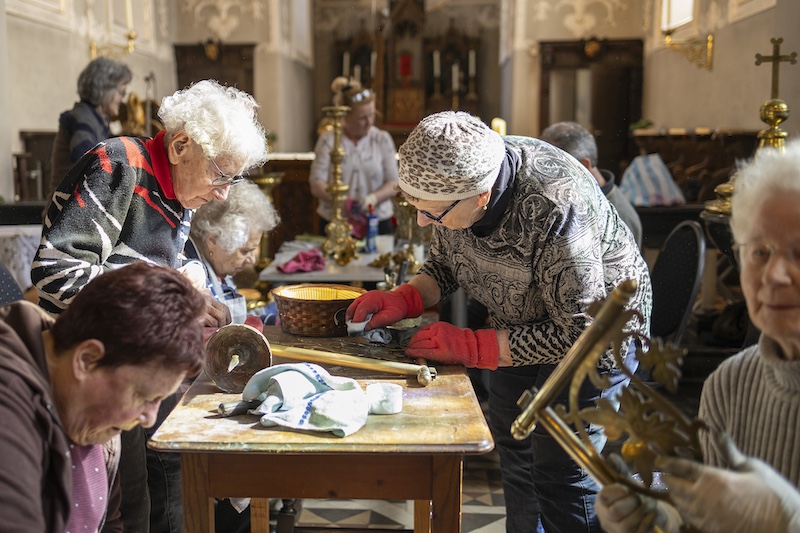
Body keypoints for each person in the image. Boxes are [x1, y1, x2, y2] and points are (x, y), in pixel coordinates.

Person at [346, 111, 652, 532]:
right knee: (518, 450)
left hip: (598, 337)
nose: (421, 221)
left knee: (562, 472)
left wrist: (474, 347)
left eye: (431, 213)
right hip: (522, 323)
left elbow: (581, 331)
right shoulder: (453, 180)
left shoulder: (555, 203)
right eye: (414, 206)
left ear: (482, 196)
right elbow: (446, 263)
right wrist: (408, 296)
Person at [31, 78, 270, 533]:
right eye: (220, 174)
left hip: (138, 372)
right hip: (96, 378)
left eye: (232, 179)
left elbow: (151, 268)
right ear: (180, 145)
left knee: (165, 496)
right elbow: (54, 276)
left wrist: (197, 300)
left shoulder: (177, 187)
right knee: (138, 513)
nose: (222, 192)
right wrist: (173, 297)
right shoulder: (117, 166)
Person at [596, 140, 800, 532]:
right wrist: (660, 507)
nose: (774, 276)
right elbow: (706, 510)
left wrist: (782, 516)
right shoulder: (732, 382)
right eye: (760, 252)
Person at [0, 262, 206, 533]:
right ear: (87, 360)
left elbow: (109, 523)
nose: (149, 419)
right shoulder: (8, 407)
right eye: (143, 395)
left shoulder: (87, 413)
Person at [309, 76, 398, 237]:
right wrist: (343, 203)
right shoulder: (329, 139)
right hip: (336, 221)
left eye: (372, 115)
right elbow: (316, 183)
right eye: (362, 118)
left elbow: (393, 182)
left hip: (377, 221)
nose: (369, 122)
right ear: (345, 117)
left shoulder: (381, 139)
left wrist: (373, 198)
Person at [186, 178, 281, 325]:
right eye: (245, 251)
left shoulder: (219, 266)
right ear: (213, 240)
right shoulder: (192, 276)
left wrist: (276, 319)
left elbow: (239, 323)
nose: (252, 260)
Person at [540, 121, 643, 248]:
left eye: (556, 169)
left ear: (583, 166)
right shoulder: (574, 199)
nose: (547, 178)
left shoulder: (618, 218)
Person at [50, 57, 132, 196]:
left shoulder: (96, 118)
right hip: (66, 211)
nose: (123, 100)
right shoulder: (83, 119)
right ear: (105, 89)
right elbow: (87, 163)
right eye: (121, 93)